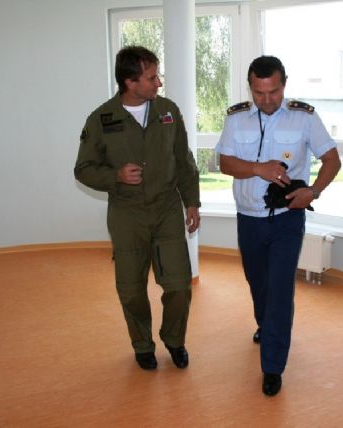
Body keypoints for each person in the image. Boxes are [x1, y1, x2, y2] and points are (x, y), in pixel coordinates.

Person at [215, 55, 341, 396]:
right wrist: (259, 168)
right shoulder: (236, 118)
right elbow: (225, 163)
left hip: (287, 218)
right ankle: (265, 324)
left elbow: (332, 160)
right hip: (249, 218)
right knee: (258, 283)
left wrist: (313, 191)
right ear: (250, 88)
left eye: (273, 91)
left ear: (284, 84)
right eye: (259, 92)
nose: (267, 100)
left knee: (280, 290)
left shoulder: (304, 117)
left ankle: (272, 366)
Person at [74, 46, 200, 371]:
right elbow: (83, 169)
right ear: (131, 82)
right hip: (127, 214)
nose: (159, 83)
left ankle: (174, 340)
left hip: (166, 209)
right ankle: (142, 345)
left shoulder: (168, 111)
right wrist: (115, 176)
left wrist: (192, 202)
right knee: (130, 290)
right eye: (152, 77)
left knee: (179, 286)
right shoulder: (101, 119)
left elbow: (184, 161)